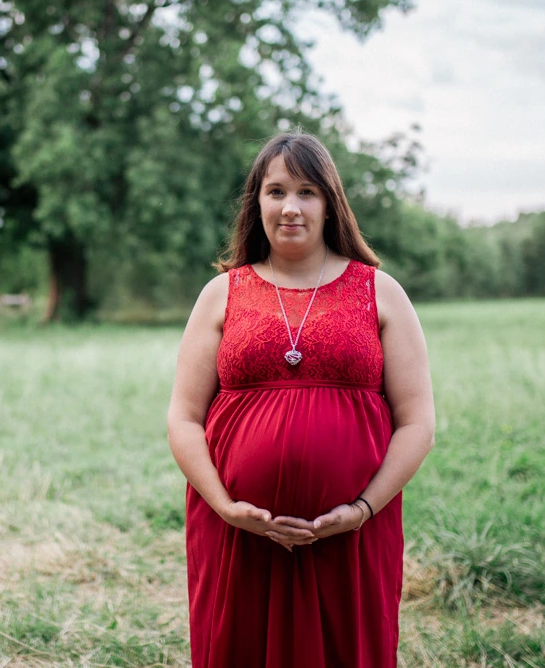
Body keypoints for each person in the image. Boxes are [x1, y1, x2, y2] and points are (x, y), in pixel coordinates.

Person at [166, 132, 436, 668]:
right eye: (276, 191)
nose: (291, 207)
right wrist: (227, 507)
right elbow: (183, 417)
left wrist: (361, 510)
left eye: (307, 191)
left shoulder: (379, 291)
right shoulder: (222, 293)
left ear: (330, 202)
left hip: (351, 536)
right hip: (238, 534)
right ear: (256, 203)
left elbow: (418, 422)